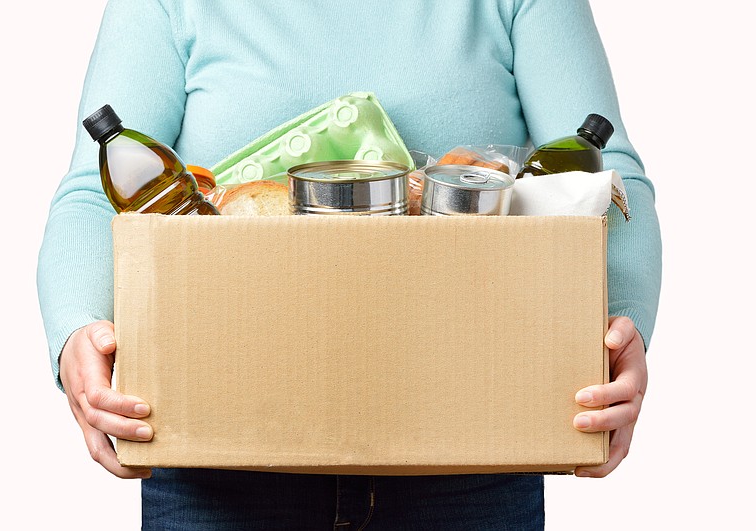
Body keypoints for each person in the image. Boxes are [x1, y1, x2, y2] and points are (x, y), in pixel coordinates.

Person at [37, 0, 661, 528]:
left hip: (472, 460)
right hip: (216, 469)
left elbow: (612, 179)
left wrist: (614, 334)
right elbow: (94, 192)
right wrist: (77, 334)